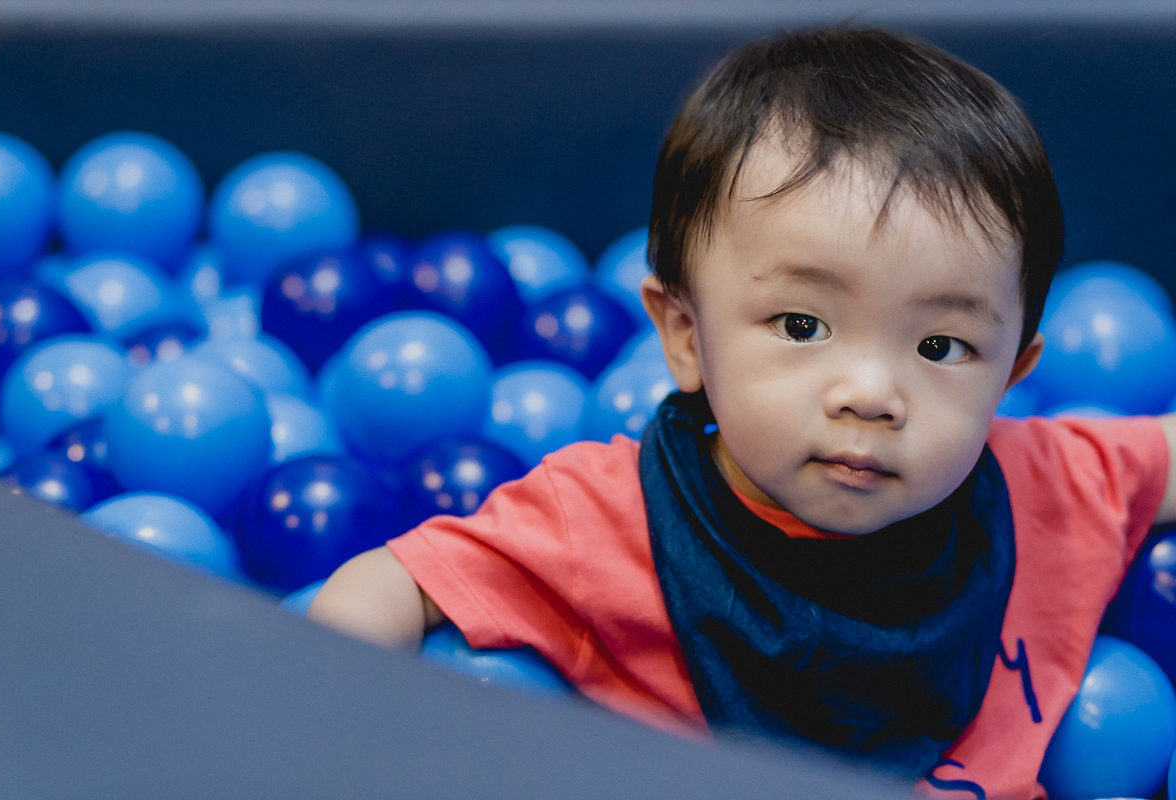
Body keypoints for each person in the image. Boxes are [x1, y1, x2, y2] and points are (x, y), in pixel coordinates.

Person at [309, 28, 1176, 799]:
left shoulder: (1049, 489)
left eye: (941, 347)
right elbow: (390, 583)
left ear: (1014, 375)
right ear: (685, 337)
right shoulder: (607, 524)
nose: (870, 394)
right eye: (802, 326)